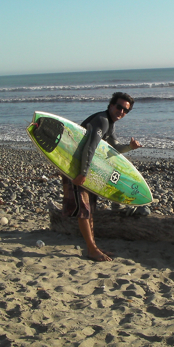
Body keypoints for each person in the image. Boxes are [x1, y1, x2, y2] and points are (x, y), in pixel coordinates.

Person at [62, 92, 142, 261]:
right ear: (111, 105)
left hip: (86, 169)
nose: (121, 112)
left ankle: (94, 247)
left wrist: (130, 147)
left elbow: (113, 149)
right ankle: (91, 249)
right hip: (76, 168)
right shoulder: (102, 121)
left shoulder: (109, 124)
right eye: (119, 107)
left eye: (125, 110)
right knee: (83, 210)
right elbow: (89, 148)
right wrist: (83, 173)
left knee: (90, 210)